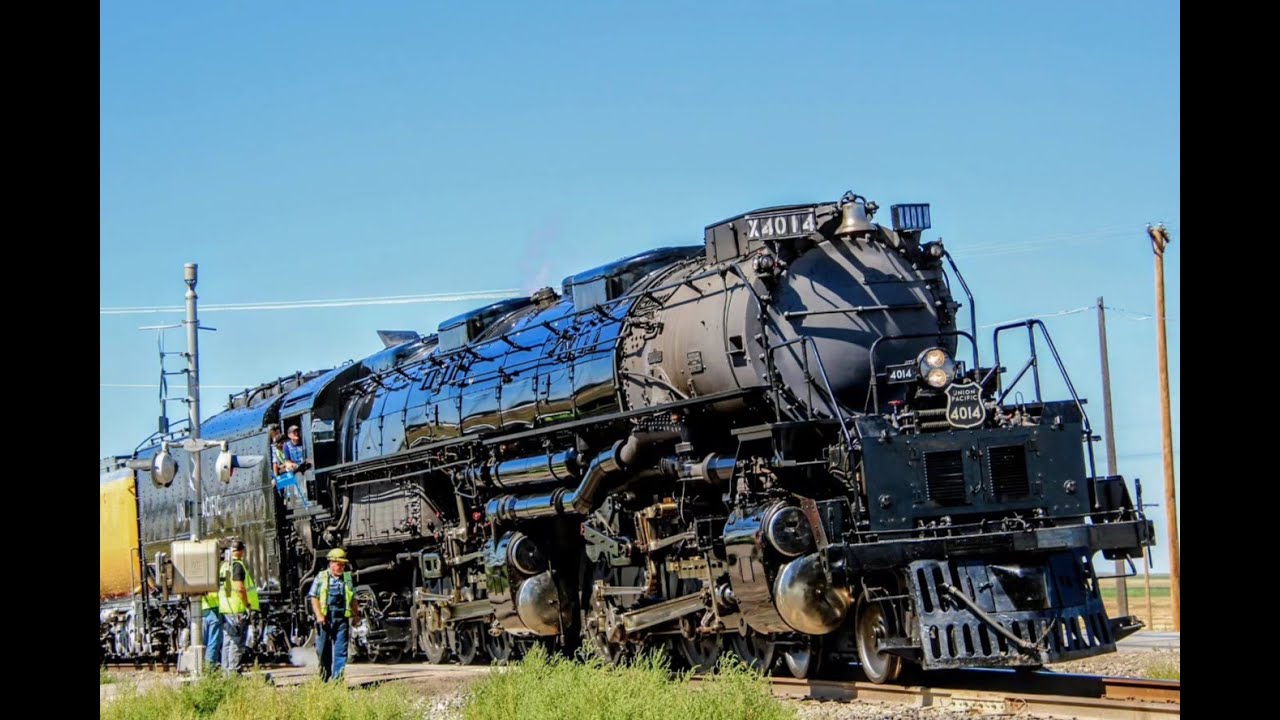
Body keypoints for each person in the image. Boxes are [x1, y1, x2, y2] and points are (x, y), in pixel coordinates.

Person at [308, 548, 362, 682]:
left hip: (341, 620)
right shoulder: (321, 577)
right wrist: (319, 615)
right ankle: (325, 678)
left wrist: (355, 616)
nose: (341, 567)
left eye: (343, 565)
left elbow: (353, 598)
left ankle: (337, 680)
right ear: (331, 563)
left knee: (341, 651)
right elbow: (313, 597)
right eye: (338, 564)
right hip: (326, 619)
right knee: (323, 651)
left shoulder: (347, 579)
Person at [218, 539, 259, 674]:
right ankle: (234, 673)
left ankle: (226, 672)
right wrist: (247, 604)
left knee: (227, 642)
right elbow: (240, 587)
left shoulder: (224, 566)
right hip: (237, 609)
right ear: (241, 551)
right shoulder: (237, 565)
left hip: (226, 609)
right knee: (236, 642)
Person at [269, 424, 308, 508]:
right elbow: (277, 464)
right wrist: (276, 477)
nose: (280, 445)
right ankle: (286, 499)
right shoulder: (281, 449)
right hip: (288, 469)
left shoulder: (298, 443)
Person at [200, 548, 226, 672]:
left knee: (203, 640)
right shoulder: (214, 572)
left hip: (201, 609)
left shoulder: (200, 571)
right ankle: (210, 667)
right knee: (214, 641)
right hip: (214, 608)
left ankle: (202, 665)